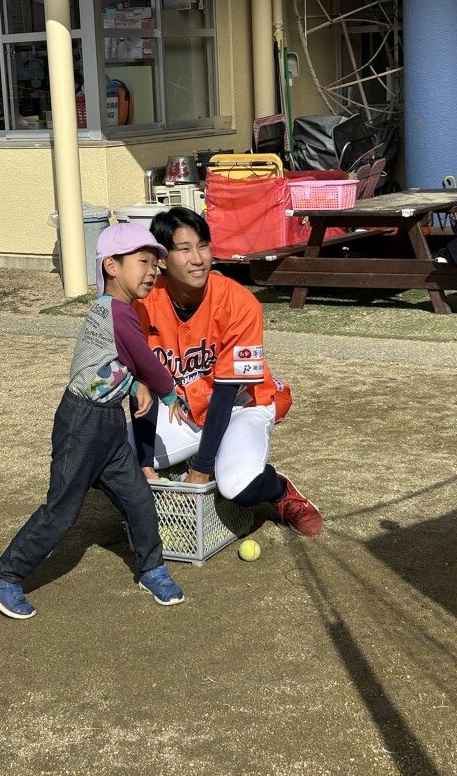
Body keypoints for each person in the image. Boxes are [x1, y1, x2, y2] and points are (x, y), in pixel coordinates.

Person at [0, 223, 188, 618]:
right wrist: (167, 391)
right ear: (112, 266)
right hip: (82, 424)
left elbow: (97, 365)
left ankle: (151, 568)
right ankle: (3, 575)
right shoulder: (116, 313)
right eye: (143, 262)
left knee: (139, 498)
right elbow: (143, 358)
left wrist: (132, 386)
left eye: (155, 264)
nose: (153, 271)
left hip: (108, 425)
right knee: (62, 510)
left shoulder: (111, 311)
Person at [130, 208, 323, 536]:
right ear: (161, 259)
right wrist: (144, 463)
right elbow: (139, 386)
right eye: (184, 249)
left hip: (242, 405)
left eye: (203, 246)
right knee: (105, 455)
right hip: (186, 411)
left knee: (237, 485)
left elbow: (226, 391)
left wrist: (202, 470)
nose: (198, 258)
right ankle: (186, 464)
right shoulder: (143, 303)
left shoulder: (239, 301)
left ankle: (278, 489)